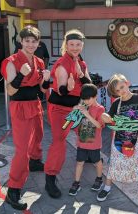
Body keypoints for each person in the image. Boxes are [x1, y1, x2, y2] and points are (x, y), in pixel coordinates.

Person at [0, 26, 51, 210]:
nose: (30, 44)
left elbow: (42, 90)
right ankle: (13, 190)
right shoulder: (11, 61)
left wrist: (46, 79)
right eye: (27, 40)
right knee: (22, 150)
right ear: (21, 42)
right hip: (20, 106)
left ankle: (35, 161)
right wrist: (21, 73)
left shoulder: (39, 61)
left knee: (38, 137)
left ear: (38, 43)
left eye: (34, 41)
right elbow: (11, 90)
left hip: (35, 103)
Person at [45, 29, 92, 198]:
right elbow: (62, 90)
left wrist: (81, 75)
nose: (75, 47)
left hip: (77, 109)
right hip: (60, 109)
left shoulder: (82, 62)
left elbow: (90, 87)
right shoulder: (62, 63)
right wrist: (69, 87)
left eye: (78, 44)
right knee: (59, 142)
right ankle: (50, 177)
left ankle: (87, 156)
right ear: (66, 45)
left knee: (87, 130)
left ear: (82, 46)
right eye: (71, 44)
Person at [98, 74, 138, 209]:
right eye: (117, 91)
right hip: (118, 141)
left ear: (127, 83)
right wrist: (104, 116)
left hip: (135, 141)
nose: (121, 92)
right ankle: (107, 188)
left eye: (122, 87)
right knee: (113, 165)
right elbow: (108, 117)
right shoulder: (116, 103)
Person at [68, 83, 105, 196]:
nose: (86, 101)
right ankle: (76, 183)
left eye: (88, 99)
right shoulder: (82, 106)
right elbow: (73, 123)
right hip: (82, 142)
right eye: (84, 99)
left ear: (95, 97)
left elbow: (99, 125)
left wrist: (87, 114)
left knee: (96, 162)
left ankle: (99, 179)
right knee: (79, 162)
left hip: (94, 144)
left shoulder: (100, 109)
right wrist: (74, 111)